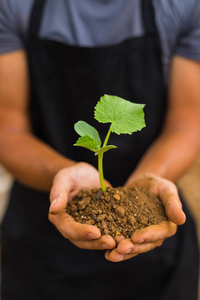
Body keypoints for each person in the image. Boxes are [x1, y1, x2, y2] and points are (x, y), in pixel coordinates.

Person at [0, 0, 200, 299]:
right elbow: (8, 129)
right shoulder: (14, 5)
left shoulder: (183, 5)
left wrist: (149, 180)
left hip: (153, 256)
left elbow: (187, 121)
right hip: (43, 231)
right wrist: (62, 173)